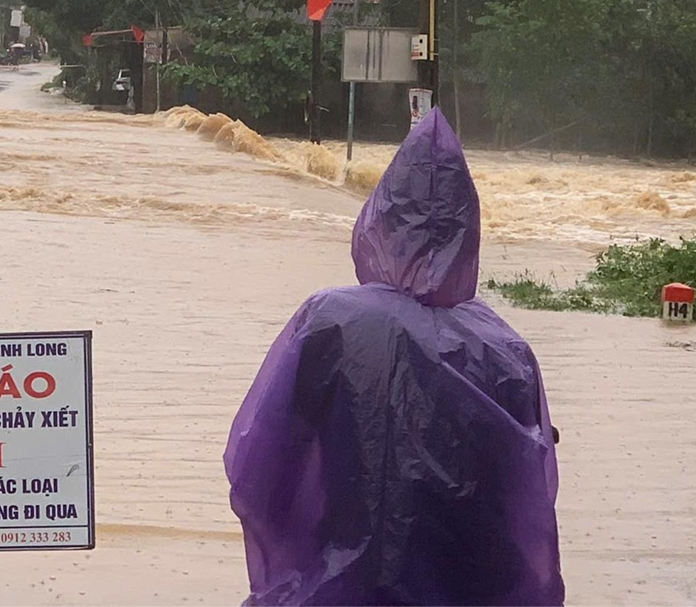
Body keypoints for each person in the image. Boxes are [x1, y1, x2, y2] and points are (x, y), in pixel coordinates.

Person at [225, 111, 564, 606]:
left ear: (378, 219)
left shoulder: (330, 321)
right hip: (467, 585)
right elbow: (526, 497)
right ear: (467, 228)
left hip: (346, 584)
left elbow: (262, 462)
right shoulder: (504, 347)